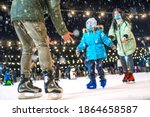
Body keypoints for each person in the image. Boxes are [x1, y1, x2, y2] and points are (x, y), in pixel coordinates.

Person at [10, 0, 73, 99]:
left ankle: (24, 82)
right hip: (30, 11)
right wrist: (63, 31)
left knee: (27, 48)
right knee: (42, 45)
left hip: (16, 13)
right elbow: (54, 9)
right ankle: (49, 81)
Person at [76, 17, 116, 89]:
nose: (88, 25)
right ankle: (92, 82)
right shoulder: (86, 34)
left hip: (99, 52)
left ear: (94, 24)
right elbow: (83, 43)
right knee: (90, 68)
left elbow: (105, 39)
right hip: (90, 53)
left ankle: (102, 79)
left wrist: (111, 44)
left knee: (98, 67)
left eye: (90, 23)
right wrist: (78, 48)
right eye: (87, 24)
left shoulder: (99, 32)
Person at [108, 8, 136, 83]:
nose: (116, 15)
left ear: (121, 14)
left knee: (129, 58)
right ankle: (126, 73)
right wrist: (110, 37)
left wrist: (125, 36)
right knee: (122, 59)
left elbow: (128, 29)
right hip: (120, 45)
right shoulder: (114, 24)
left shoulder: (126, 22)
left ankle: (131, 74)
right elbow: (111, 30)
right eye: (115, 14)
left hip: (128, 42)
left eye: (118, 13)